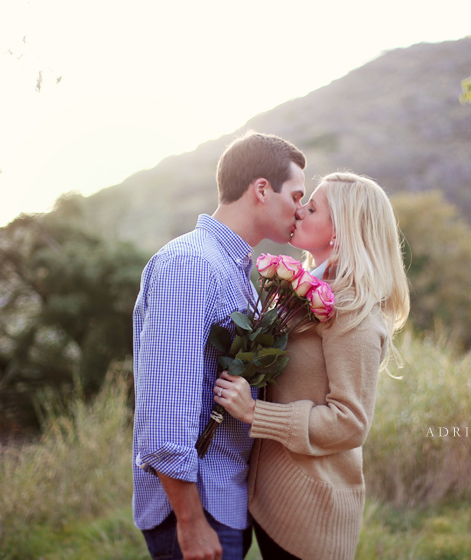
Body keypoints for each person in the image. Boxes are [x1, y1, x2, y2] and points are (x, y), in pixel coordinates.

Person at [214, 172, 411, 559]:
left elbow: (350, 422)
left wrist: (255, 412)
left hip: (310, 512)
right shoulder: (301, 292)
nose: (299, 211)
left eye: (313, 207)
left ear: (341, 230)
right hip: (271, 497)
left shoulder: (351, 310)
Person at [132, 131, 306, 560]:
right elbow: (165, 413)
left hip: (224, 501)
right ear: (262, 189)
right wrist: (191, 524)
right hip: (196, 510)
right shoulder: (191, 265)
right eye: (297, 195)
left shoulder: (236, 272)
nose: (301, 210)